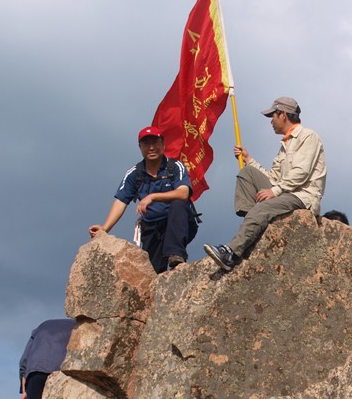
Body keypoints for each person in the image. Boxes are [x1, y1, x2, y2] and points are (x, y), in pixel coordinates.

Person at [203, 97, 326, 270]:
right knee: (247, 173)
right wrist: (248, 159)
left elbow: (301, 173)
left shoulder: (308, 136)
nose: (271, 121)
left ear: (283, 114)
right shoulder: (285, 143)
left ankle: (231, 253)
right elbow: (273, 178)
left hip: (302, 196)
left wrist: (276, 191)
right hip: (284, 192)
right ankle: (252, 223)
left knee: (262, 208)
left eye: (272, 116)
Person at [89, 126, 198, 273]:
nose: (151, 148)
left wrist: (152, 197)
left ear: (163, 144)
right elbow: (121, 201)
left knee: (178, 204)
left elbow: (183, 193)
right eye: (146, 144)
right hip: (152, 227)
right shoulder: (135, 174)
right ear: (140, 147)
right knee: (154, 272)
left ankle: (176, 256)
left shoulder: (175, 167)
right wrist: (104, 228)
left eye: (155, 143)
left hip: (178, 223)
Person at [18, 318, 75, 399]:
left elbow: (24, 361)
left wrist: (25, 392)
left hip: (35, 369)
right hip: (61, 370)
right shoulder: (80, 326)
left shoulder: (43, 325)